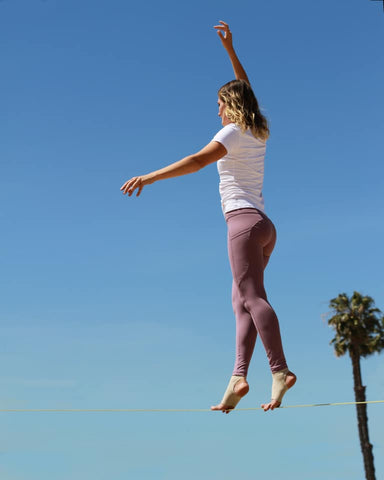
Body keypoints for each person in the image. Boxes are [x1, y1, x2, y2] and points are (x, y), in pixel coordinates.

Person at [120, 21, 296, 414]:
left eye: (219, 103)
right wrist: (231, 52)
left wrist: (149, 176)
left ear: (230, 106)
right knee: (241, 301)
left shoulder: (233, 132)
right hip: (265, 227)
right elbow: (247, 89)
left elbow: (197, 161)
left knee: (251, 297)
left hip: (243, 224)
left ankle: (280, 369)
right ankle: (238, 377)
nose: (216, 109)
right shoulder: (257, 130)